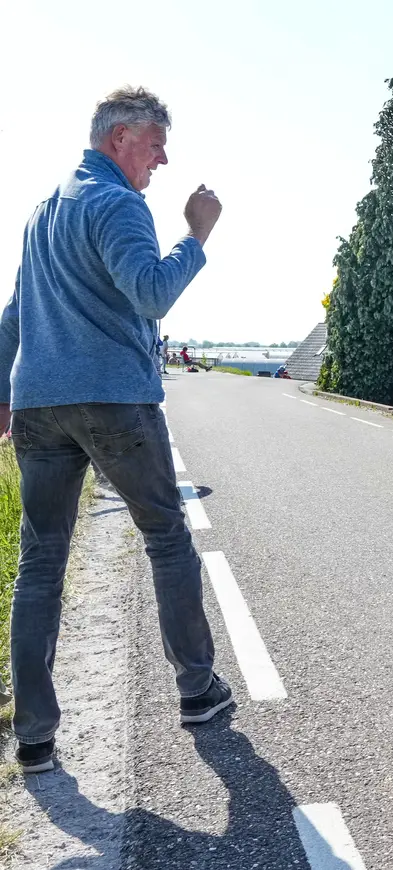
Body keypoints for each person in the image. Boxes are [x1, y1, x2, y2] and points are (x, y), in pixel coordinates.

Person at [0, 86, 233, 774]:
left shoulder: (45, 210)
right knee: (166, 536)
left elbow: (13, 314)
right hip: (112, 402)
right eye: (156, 143)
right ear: (120, 138)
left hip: (39, 406)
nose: (163, 158)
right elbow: (152, 293)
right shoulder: (116, 203)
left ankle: (35, 736)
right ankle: (197, 689)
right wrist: (196, 233)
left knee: (40, 563)